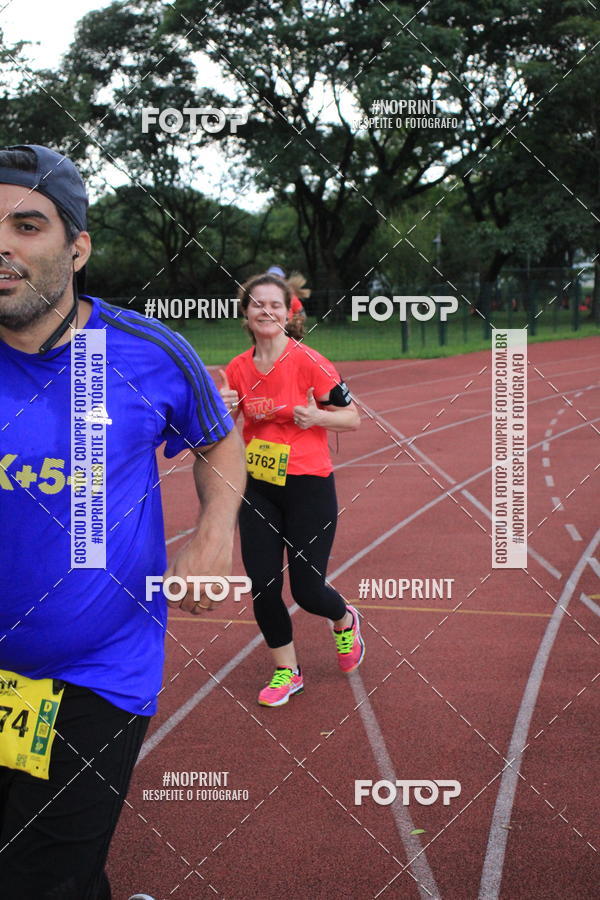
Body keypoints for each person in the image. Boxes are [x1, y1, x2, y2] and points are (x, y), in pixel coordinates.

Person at [0, 144, 247, 899]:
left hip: (97, 670)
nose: (1, 246)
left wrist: (213, 534)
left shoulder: (147, 354)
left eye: (27, 225)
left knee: (34, 881)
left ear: (78, 247)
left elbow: (218, 440)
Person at [219, 272, 363, 708]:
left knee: (306, 590)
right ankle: (287, 671)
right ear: (245, 313)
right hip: (258, 486)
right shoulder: (237, 369)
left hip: (308, 486)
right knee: (263, 586)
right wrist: (224, 410)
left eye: (275, 305)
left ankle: (343, 618)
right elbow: (226, 430)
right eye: (257, 304)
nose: (266, 311)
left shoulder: (309, 361)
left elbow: (352, 417)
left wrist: (317, 418)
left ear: (288, 312)